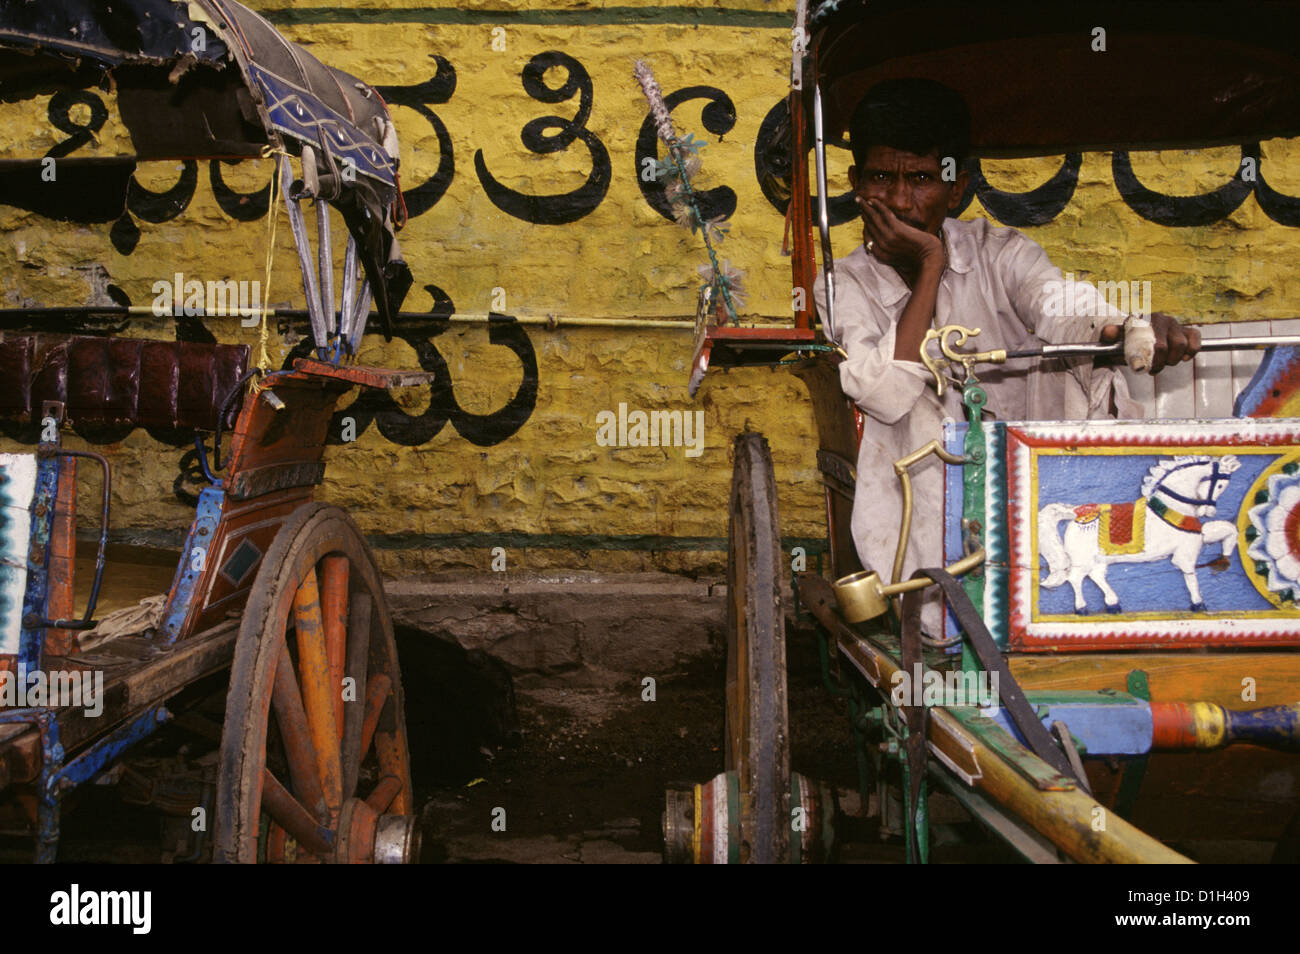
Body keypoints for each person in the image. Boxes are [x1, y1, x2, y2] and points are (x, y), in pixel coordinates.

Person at [813, 78, 1201, 634]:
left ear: (956, 188)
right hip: (920, 503)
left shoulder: (1001, 253)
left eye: (921, 179)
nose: (899, 200)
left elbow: (1060, 303)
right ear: (855, 185)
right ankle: (940, 619)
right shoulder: (840, 283)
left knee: (1089, 367)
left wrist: (1126, 329)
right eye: (881, 178)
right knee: (912, 405)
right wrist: (928, 262)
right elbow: (886, 392)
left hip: (1035, 488)